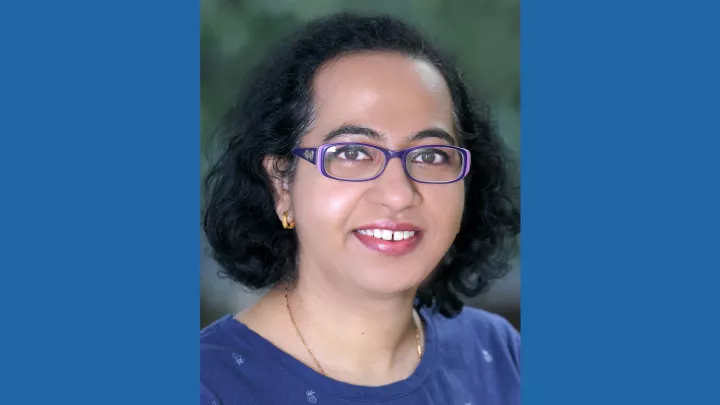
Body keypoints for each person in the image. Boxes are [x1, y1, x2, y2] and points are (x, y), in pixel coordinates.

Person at [200, 12, 520, 405]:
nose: (399, 193)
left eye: (432, 155)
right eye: (352, 152)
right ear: (282, 183)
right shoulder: (207, 385)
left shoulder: (500, 354)